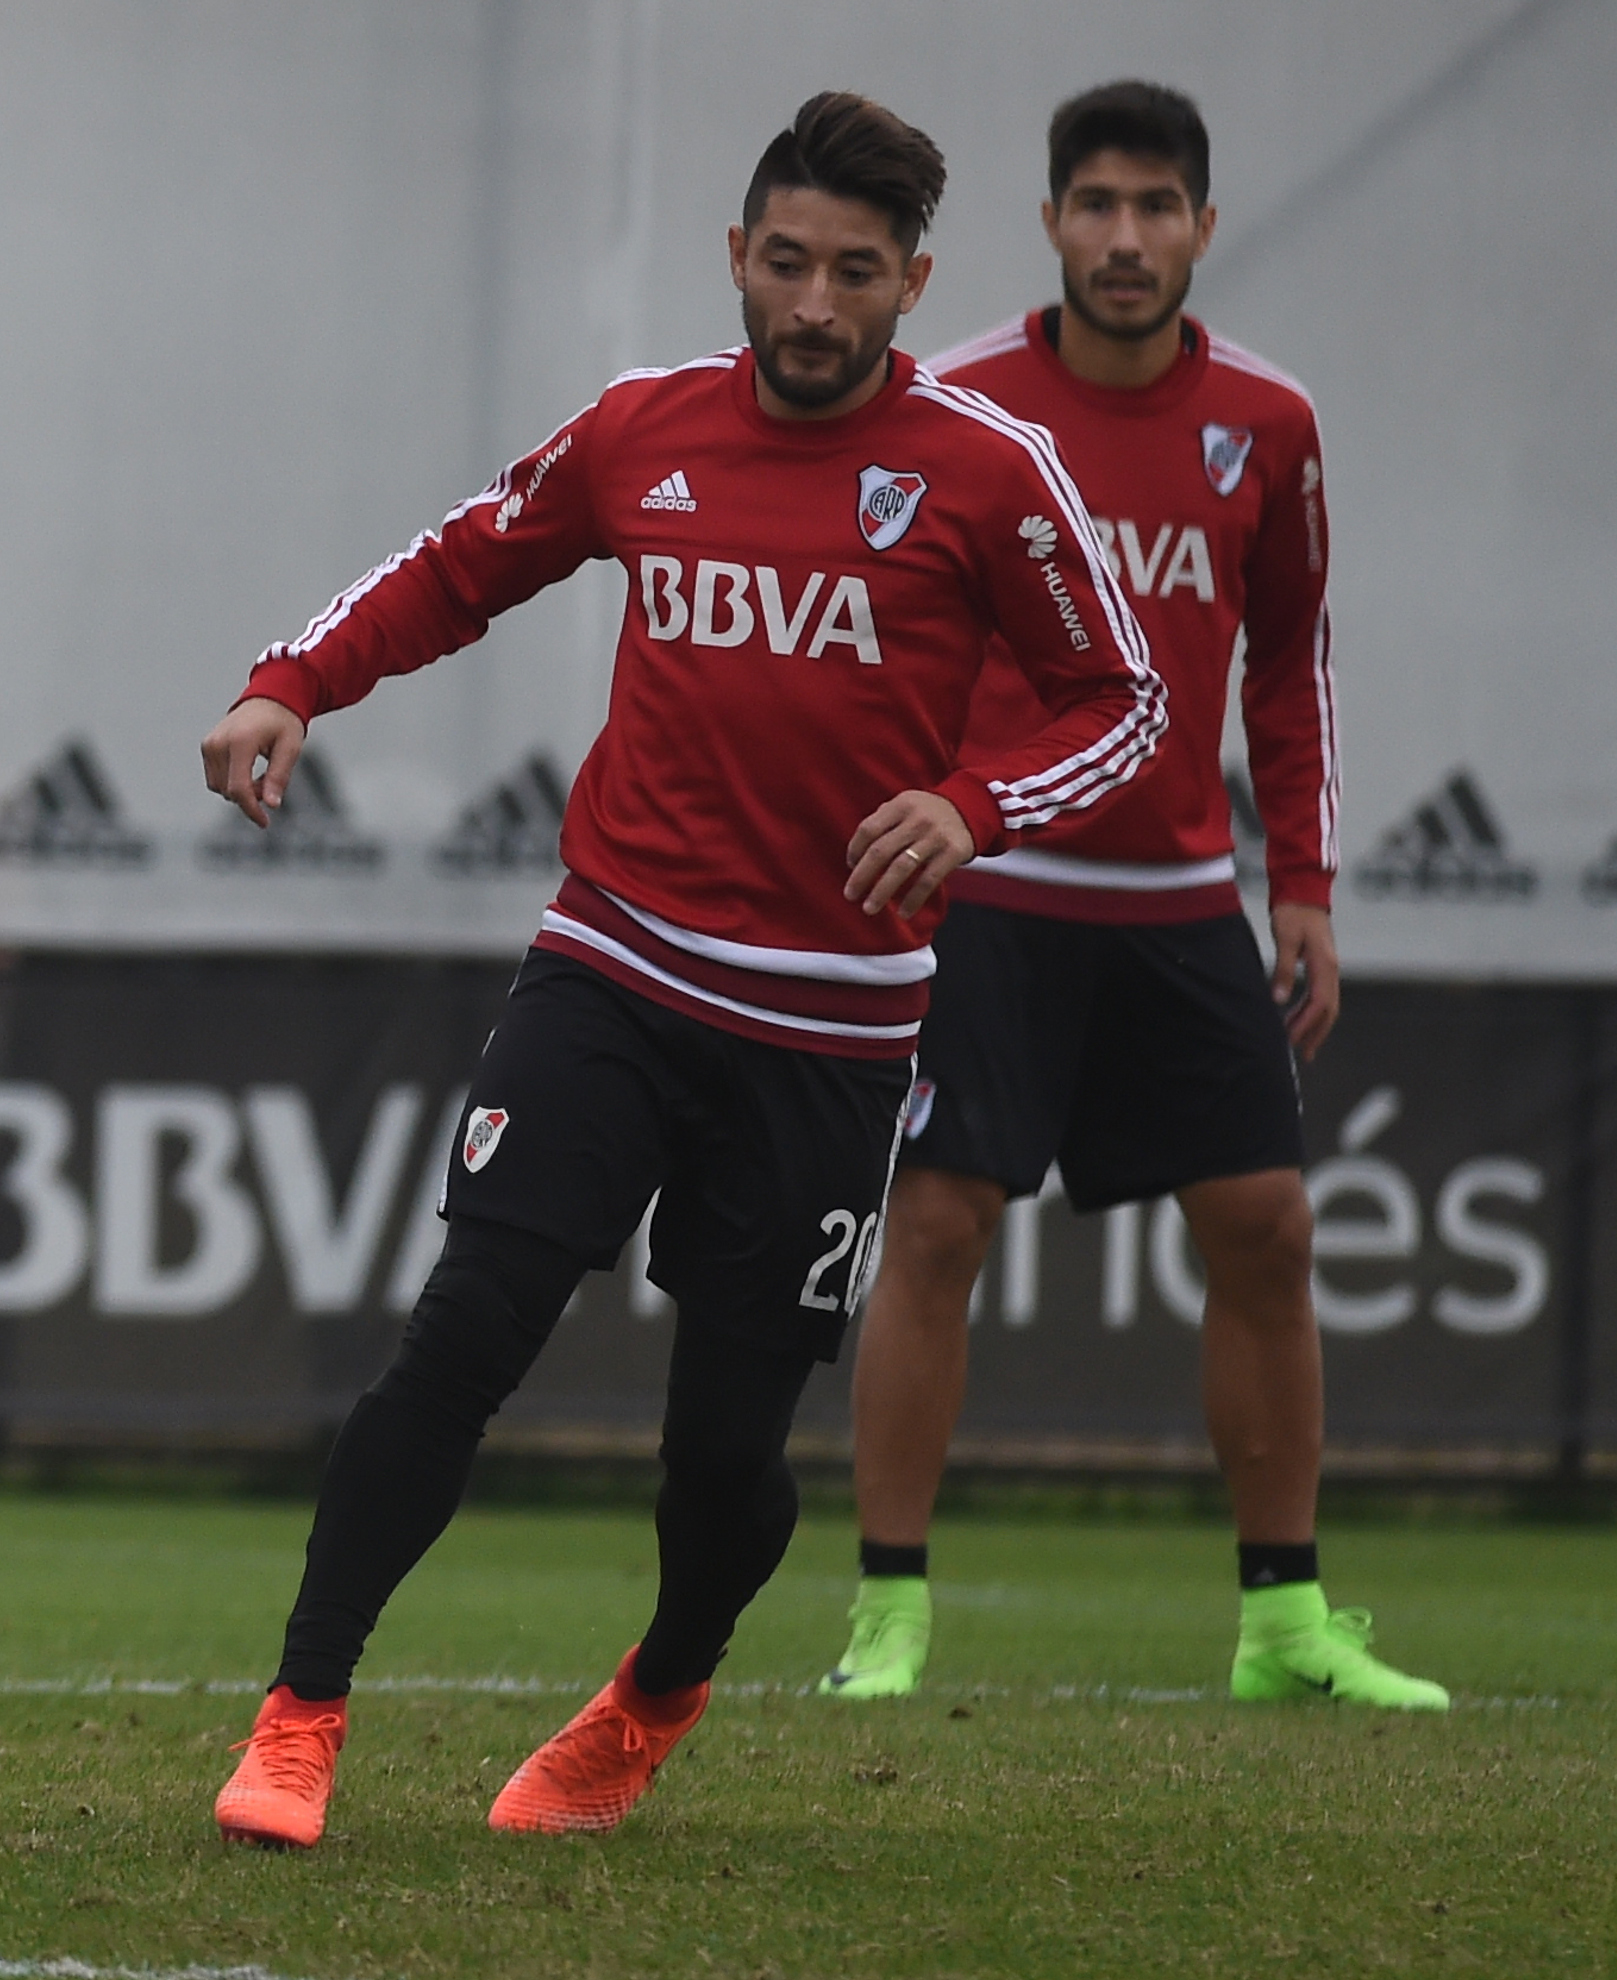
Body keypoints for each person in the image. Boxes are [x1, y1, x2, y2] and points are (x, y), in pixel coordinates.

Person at [201, 91, 1166, 1850]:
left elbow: (1128, 705)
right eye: (786, 262)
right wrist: (293, 681)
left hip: (831, 1035)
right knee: (464, 1333)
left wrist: (976, 803)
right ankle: (301, 1713)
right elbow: (456, 568)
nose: (813, 304)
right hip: (612, 974)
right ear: (737, 255)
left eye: (855, 274)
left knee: (723, 1455)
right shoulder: (640, 434)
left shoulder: (985, 477)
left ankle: (658, 1689)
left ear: (913, 282)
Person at [820, 81, 1443, 1712]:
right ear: (1048, 226)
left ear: (1201, 230)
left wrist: (1299, 877)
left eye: (1156, 208)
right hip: (995, 893)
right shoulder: (953, 405)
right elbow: (879, 647)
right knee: (940, 1225)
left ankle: (1285, 1622)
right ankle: (887, 1615)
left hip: (1177, 900)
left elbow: (1291, 669)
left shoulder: (1270, 422)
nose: (1124, 237)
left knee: (1268, 1226)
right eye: (1095, 205)